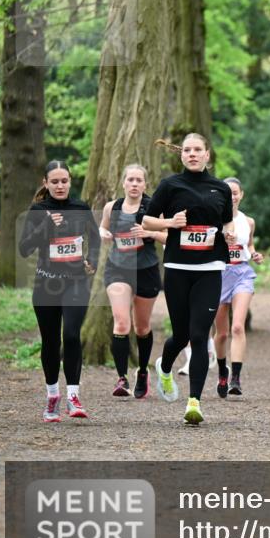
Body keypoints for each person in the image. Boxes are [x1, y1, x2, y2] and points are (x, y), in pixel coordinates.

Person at [142, 133, 235, 425]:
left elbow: (228, 219)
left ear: (208, 154)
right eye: (187, 150)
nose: (192, 154)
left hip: (210, 269)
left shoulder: (220, 188)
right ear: (181, 155)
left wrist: (229, 232)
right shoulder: (171, 185)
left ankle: (193, 402)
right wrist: (170, 223)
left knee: (198, 337)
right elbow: (145, 220)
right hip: (178, 269)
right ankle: (165, 366)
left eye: (198, 150)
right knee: (180, 335)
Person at [18, 161, 100, 422]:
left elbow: (95, 238)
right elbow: (24, 249)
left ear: (70, 181)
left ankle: (73, 396)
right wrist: (45, 227)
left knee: (72, 335)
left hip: (76, 282)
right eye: (54, 182)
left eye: (64, 181)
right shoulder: (38, 210)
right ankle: (52, 395)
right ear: (46, 183)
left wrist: (92, 260)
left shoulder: (81, 207)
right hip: (46, 285)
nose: (60, 185)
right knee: (51, 342)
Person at [99, 164, 166, 399]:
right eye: (131, 180)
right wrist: (103, 234)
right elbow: (103, 228)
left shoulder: (153, 208)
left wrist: (149, 233)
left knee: (142, 327)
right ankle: (121, 378)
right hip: (117, 269)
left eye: (139, 180)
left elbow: (168, 235)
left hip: (146, 269)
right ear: (124, 183)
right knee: (121, 322)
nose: (135, 184)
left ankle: (142, 371)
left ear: (145, 184)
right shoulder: (112, 207)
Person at [213, 177, 264, 398]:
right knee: (222, 333)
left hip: (242, 273)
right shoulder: (213, 219)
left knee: (237, 328)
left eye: (235, 192)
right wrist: (222, 239)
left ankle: (235, 378)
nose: (231, 196)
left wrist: (254, 253)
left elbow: (249, 243)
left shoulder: (248, 221)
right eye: (227, 192)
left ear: (241, 195)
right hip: (218, 274)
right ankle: (222, 371)